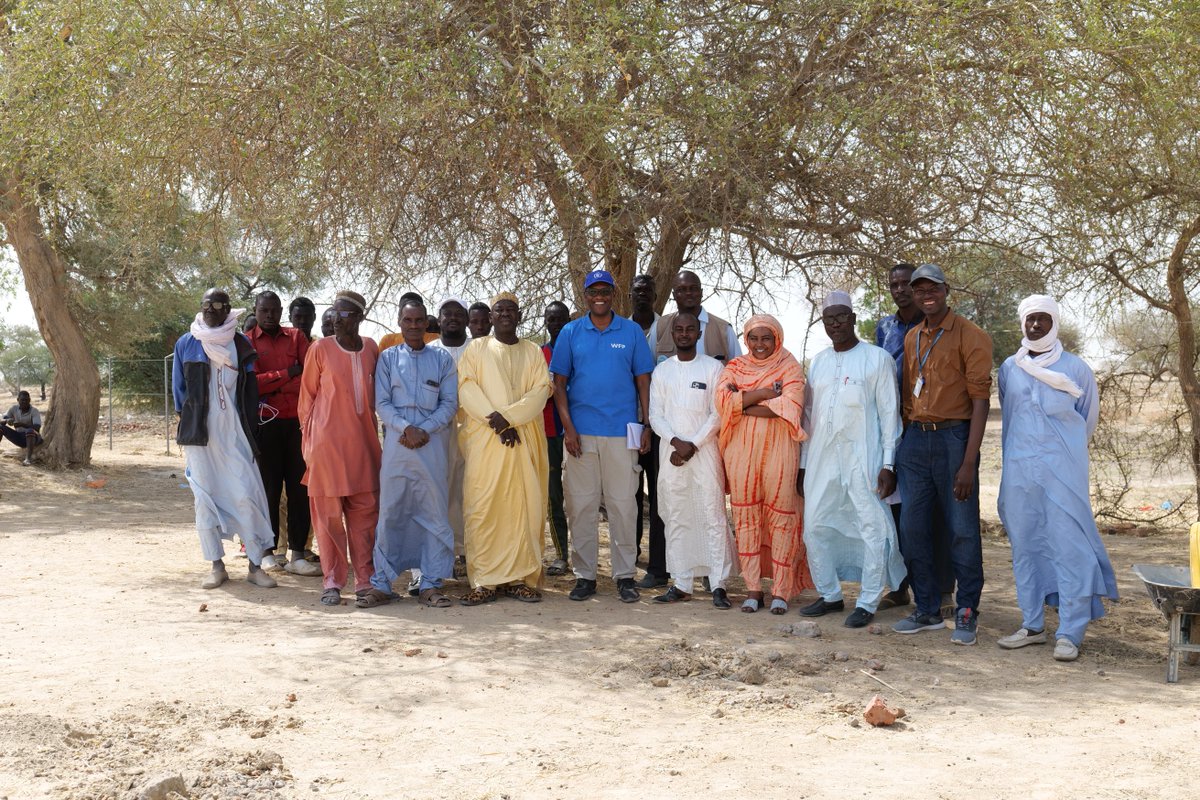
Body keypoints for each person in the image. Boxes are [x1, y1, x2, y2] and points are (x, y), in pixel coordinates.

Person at [997, 295, 1118, 661]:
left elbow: (1087, 419)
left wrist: (1062, 453)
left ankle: (1070, 631)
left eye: (1043, 319)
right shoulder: (1009, 368)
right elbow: (1010, 413)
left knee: (1070, 549)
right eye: (1030, 320)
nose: (1035, 326)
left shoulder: (1076, 368)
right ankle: (1032, 625)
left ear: (1055, 323)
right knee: (1027, 546)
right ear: (1022, 324)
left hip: (1063, 472)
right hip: (1020, 472)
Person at [892, 263, 992, 645]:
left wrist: (969, 461)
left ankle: (966, 609)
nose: (925, 294)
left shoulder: (972, 335)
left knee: (962, 529)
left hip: (955, 439)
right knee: (913, 527)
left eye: (931, 287)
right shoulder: (912, 337)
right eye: (919, 290)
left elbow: (980, 401)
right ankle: (927, 609)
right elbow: (907, 395)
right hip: (915, 440)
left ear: (946, 290)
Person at [798, 292, 907, 628]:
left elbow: (890, 417)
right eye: (829, 318)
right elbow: (809, 416)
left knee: (871, 526)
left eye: (841, 317)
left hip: (865, 458)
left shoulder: (877, 359)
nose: (835, 324)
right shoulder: (817, 362)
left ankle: (869, 599)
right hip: (821, 459)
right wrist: (803, 465)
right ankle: (830, 594)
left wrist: (888, 465)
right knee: (815, 524)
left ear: (854, 318)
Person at [550, 269, 655, 603]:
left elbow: (643, 382)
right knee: (580, 507)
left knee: (624, 506)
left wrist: (648, 424)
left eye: (605, 291)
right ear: (585, 296)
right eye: (593, 291)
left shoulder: (632, 332)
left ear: (613, 295)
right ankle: (585, 576)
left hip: (622, 433)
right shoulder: (570, 332)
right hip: (581, 435)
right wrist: (569, 429)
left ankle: (624, 576)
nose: (600, 296)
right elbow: (559, 386)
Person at [172, 288, 277, 590]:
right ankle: (216, 565)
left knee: (246, 494)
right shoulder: (187, 343)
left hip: (235, 433)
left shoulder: (239, 344)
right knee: (205, 499)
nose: (210, 309)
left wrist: (251, 431)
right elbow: (180, 393)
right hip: (200, 437)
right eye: (206, 304)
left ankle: (255, 566)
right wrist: (191, 424)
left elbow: (249, 391)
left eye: (217, 305)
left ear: (228, 309)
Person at [358, 300, 460, 609]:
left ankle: (430, 583)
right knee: (392, 511)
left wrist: (424, 429)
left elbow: (449, 403)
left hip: (432, 445)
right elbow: (382, 403)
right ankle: (382, 584)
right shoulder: (388, 359)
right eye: (408, 320)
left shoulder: (442, 359)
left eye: (419, 320)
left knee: (433, 512)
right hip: (398, 447)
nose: (413, 325)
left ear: (426, 324)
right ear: (400, 323)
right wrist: (406, 428)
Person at [456, 293, 554, 605]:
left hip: (523, 441)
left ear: (520, 315)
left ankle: (519, 579)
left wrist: (509, 418)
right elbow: (466, 387)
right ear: (491, 317)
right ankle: (484, 581)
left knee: (523, 509)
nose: (505, 314)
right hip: (487, 442)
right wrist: (497, 421)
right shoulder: (477, 348)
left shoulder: (533, 351)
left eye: (511, 309)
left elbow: (541, 391)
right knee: (484, 508)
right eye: (500, 309)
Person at [716, 314, 811, 614]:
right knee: (746, 520)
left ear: (777, 339)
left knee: (782, 519)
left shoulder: (790, 366)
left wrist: (742, 403)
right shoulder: (735, 367)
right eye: (754, 338)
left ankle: (781, 591)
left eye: (766, 338)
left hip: (780, 456)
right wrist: (767, 394)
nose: (759, 345)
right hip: (741, 456)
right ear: (746, 339)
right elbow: (721, 402)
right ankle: (753, 589)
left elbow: (789, 407)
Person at [874, 262, 954, 609]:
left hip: (932, 424)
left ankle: (944, 588)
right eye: (895, 284)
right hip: (896, 426)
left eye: (907, 283)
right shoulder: (885, 328)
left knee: (936, 510)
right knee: (900, 511)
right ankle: (901, 585)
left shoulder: (936, 327)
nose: (901, 290)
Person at [298, 291, 383, 607]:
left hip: (363, 447)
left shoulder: (372, 348)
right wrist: (309, 445)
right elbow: (306, 400)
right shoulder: (319, 349)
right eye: (333, 312)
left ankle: (365, 580)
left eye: (343, 313)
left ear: (359, 317)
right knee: (328, 518)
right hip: (326, 449)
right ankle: (332, 581)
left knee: (365, 519)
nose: (335, 318)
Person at [648, 313, 737, 609]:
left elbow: (718, 413)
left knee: (712, 515)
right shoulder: (662, 372)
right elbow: (655, 415)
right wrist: (676, 442)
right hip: (671, 452)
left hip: (705, 452)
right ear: (672, 334)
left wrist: (693, 445)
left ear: (699, 334)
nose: (684, 334)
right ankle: (682, 583)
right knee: (676, 514)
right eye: (679, 329)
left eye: (690, 329)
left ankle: (718, 584)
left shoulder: (714, 368)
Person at [246, 291, 320, 576]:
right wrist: (288, 373)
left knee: (300, 488)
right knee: (268, 490)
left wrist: (274, 381)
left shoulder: (296, 338)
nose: (269, 315)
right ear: (257, 310)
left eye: (274, 310)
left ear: (281, 312)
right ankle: (267, 550)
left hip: (298, 423)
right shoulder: (247, 341)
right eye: (264, 310)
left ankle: (298, 553)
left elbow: (308, 378)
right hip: (265, 424)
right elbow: (252, 384)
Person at [628, 273, 668, 589]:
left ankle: (658, 566)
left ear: (655, 294)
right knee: (627, 494)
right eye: (637, 290)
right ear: (630, 295)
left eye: (648, 290)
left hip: (660, 427)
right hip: (626, 424)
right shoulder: (621, 329)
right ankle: (630, 558)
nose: (642, 294)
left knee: (658, 496)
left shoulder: (667, 328)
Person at [429, 297, 473, 574]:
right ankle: (442, 552)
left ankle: (469, 552)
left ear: (467, 320)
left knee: (470, 492)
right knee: (441, 492)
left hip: (473, 431)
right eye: (448, 314)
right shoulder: (431, 350)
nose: (453, 318)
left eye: (459, 314)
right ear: (440, 319)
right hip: (439, 432)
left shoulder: (478, 349)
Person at [541, 301, 571, 576]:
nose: (556, 324)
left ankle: (585, 556)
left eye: (561, 319)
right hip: (549, 433)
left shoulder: (579, 349)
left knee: (579, 497)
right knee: (553, 496)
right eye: (551, 319)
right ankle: (561, 555)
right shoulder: (539, 355)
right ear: (545, 322)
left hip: (579, 432)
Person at [653, 270, 742, 362]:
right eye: (682, 289)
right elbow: (648, 366)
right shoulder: (659, 327)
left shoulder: (724, 330)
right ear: (674, 295)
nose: (688, 293)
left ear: (701, 292)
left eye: (693, 288)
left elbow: (739, 369)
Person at [1, 390, 42, 466]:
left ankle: (28, 459)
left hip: (33, 438)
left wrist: (22, 424)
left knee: (30, 431)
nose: (24, 402)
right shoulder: (14, 409)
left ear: (29, 400)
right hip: (19, 437)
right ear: (18, 400)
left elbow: (37, 428)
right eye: (22, 400)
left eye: (26, 400)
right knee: (0, 427)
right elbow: (2, 420)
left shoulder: (34, 411)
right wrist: (7, 420)